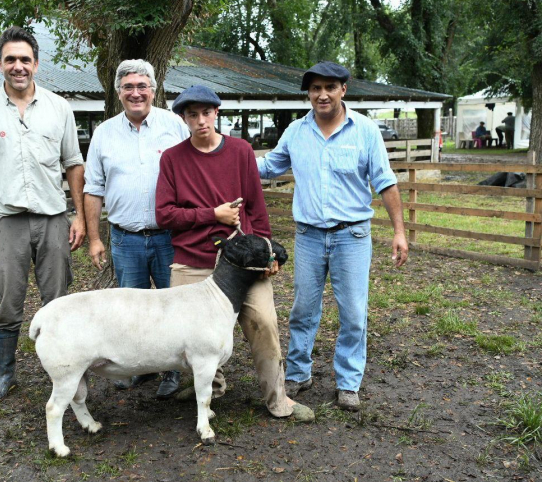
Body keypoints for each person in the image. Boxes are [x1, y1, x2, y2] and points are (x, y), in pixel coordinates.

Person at [155, 85, 315, 423]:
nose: (201, 120)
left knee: (264, 322)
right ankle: (210, 389)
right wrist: (211, 214)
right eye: (192, 114)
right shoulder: (172, 158)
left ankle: (277, 397)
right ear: (183, 118)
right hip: (193, 256)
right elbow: (165, 215)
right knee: (186, 328)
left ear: (216, 112)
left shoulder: (241, 151)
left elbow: (256, 207)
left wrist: (267, 255)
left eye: (206, 112)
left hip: (242, 260)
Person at [256, 61, 408, 411]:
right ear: (308, 93)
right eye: (315, 88)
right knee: (303, 310)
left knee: (354, 312)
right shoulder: (296, 131)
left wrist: (399, 231)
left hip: (352, 236)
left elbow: (385, 182)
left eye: (329, 87)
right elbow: (268, 166)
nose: (322, 94)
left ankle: (348, 382)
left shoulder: (366, 131)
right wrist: (228, 156)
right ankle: (298, 373)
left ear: (343, 90)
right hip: (308, 236)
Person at [0, 26, 86, 402]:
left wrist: (79, 216)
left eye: (25, 59)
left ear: (36, 64)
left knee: (59, 300)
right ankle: (6, 373)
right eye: (11, 59)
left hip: (52, 218)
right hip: (7, 221)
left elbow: (73, 164)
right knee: (8, 300)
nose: (18, 66)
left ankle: (67, 373)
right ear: (0, 64)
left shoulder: (58, 107)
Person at [83, 59, 190, 399]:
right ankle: (137, 368)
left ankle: (171, 371)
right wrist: (95, 238)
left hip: (169, 236)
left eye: (142, 86)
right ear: (118, 93)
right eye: (128, 87)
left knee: (171, 306)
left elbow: (196, 170)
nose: (136, 92)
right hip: (125, 238)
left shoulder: (175, 126)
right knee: (131, 309)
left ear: (154, 90)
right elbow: (93, 188)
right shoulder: (104, 134)